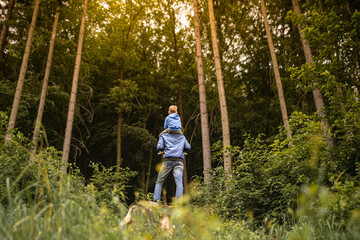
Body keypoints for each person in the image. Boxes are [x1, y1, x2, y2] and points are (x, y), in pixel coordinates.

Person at [153, 117, 191, 202]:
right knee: (179, 183)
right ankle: (178, 203)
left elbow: (159, 147)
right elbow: (188, 147)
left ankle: (156, 200)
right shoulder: (182, 136)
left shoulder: (163, 135)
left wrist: (162, 150)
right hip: (179, 160)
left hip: (167, 160)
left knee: (159, 181)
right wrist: (183, 150)